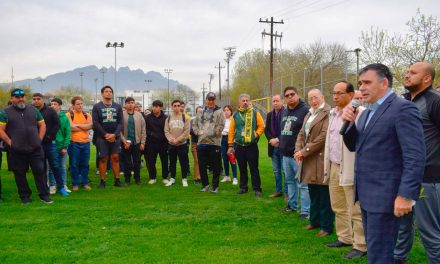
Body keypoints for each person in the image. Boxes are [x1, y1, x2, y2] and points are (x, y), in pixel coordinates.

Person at [342, 63, 425, 263]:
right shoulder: (367, 111)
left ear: (384, 83)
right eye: (360, 83)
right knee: (376, 251)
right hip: (367, 194)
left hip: (387, 196)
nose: (361, 87)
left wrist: (406, 195)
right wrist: (350, 123)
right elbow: (355, 146)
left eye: (367, 82)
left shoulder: (403, 109)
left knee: (381, 255)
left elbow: (415, 156)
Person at [394, 62, 440, 264]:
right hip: (402, 176)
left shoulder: (434, 101)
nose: (407, 75)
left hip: (427, 178)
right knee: (401, 225)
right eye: (407, 71)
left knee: (430, 232)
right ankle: (398, 259)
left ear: (427, 78)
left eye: (413, 73)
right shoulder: (403, 101)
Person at [323, 81, 367, 259]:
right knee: (338, 206)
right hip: (334, 165)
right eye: (334, 93)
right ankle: (344, 237)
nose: (335, 96)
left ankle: (361, 245)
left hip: (351, 168)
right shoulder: (333, 114)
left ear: (351, 95)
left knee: (356, 209)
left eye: (340, 93)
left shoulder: (360, 113)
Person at [0, 88, 52, 204]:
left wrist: (39, 139)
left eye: (22, 96)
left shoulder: (33, 110)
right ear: (12, 99)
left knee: (40, 171)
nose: (20, 99)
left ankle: (44, 195)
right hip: (17, 149)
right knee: (20, 173)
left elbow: (42, 125)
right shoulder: (5, 112)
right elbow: (1, 130)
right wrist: (10, 142)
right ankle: (24, 196)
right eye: (17, 97)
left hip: (35, 149)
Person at [295, 89, 334, 237]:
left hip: (320, 159)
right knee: (313, 193)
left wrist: (303, 151)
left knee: (324, 195)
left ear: (322, 97)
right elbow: (301, 134)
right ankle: (314, 221)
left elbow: (323, 136)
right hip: (309, 159)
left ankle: (326, 226)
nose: (313, 101)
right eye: (310, 98)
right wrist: (298, 150)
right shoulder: (309, 113)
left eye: (316, 97)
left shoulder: (328, 113)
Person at [278, 87, 310, 216]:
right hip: (285, 154)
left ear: (298, 95)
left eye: (292, 94)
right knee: (290, 182)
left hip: (298, 155)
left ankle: (305, 211)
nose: (290, 97)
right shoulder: (285, 111)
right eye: (287, 95)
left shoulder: (305, 110)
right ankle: (292, 205)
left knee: (303, 184)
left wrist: (302, 151)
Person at [228, 93, 264, 197]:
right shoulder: (235, 115)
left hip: (251, 146)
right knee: (242, 168)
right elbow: (231, 131)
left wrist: (255, 134)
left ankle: (257, 189)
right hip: (239, 146)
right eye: (243, 101)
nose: (245, 102)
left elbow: (261, 126)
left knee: (254, 168)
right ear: (239, 102)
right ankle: (243, 187)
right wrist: (230, 145)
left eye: (246, 100)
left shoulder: (255, 113)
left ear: (249, 101)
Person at [32, 93, 66, 196]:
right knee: (41, 168)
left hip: (50, 144)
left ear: (43, 100)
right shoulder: (31, 110)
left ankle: (61, 187)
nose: (36, 101)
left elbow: (57, 124)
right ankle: (45, 189)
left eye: (38, 99)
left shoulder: (50, 110)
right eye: (34, 99)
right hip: (37, 144)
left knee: (55, 166)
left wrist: (50, 136)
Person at [92, 85, 125, 188]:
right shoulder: (97, 107)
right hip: (102, 137)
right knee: (103, 158)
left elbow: (120, 123)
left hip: (115, 137)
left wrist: (114, 134)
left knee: (115, 158)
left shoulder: (118, 106)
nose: (108, 93)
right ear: (102, 94)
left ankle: (117, 180)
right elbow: (96, 123)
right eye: (106, 91)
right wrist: (105, 134)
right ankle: (102, 181)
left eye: (110, 91)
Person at [192, 92, 225, 192]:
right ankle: (205, 185)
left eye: (212, 99)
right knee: (202, 165)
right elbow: (194, 125)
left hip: (214, 143)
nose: (210, 101)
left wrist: (213, 133)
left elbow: (221, 125)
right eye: (209, 99)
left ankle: (215, 186)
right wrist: (198, 133)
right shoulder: (200, 112)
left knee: (215, 166)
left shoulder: (220, 111)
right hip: (201, 143)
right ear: (206, 100)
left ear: (215, 100)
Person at [66, 96, 93, 191]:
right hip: (74, 143)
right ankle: (75, 183)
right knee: (74, 164)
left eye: (81, 103)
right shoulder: (69, 115)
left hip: (85, 143)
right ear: (73, 105)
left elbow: (90, 126)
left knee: (85, 164)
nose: (80, 105)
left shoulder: (87, 115)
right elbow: (70, 127)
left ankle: (85, 182)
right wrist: (84, 126)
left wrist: (77, 126)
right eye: (78, 104)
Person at [264, 94, 287, 198]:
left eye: (277, 101)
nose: (275, 103)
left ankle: (287, 192)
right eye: (273, 101)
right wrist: (271, 140)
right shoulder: (269, 115)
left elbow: (288, 131)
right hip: (273, 147)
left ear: (282, 101)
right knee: (276, 170)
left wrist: (278, 140)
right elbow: (267, 130)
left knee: (285, 170)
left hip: (284, 146)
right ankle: (278, 190)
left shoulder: (287, 113)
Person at [164, 100, 190, 187]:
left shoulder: (185, 118)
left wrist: (178, 140)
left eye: (178, 105)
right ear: (172, 107)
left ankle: (184, 178)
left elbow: (186, 132)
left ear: (181, 107)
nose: (176, 107)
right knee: (172, 162)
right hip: (171, 145)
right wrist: (172, 140)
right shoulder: (168, 118)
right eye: (174, 105)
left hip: (182, 144)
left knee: (184, 162)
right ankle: (172, 178)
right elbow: (166, 131)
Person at [120, 97, 146, 185]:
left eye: (132, 102)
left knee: (137, 161)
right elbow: (119, 130)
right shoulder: (122, 115)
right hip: (126, 143)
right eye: (128, 103)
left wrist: (142, 142)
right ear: (125, 104)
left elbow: (143, 129)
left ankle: (137, 179)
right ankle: (127, 179)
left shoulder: (139, 115)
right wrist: (124, 141)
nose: (130, 104)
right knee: (127, 162)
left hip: (137, 142)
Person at [49, 98, 71, 196]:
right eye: (51, 104)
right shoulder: (47, 116)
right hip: (51, 145)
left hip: (62, 146)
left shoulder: (64, 118)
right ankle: (53, 185)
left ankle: (64, 185)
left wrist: (65, 146)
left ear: (60, 106)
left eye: (55, 104)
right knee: (51, 167)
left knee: (62, 166)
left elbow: (67, 133)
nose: (53, 106)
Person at [145, 100, 169, 185]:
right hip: (151, 143)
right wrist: (151, 134)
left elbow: (168, 130)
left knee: (164, 160)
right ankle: (152, 177)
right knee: (151, 161)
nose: (154, 108)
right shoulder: (148, 117)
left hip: (163, 143)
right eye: (153, 106)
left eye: (156, 106)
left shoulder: (166, 118)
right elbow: (145, 130)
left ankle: (165, 177)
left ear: (160, 107)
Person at [220, 105, 238, 185]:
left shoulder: (233, 120)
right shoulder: (222, 120)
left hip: (231, 140)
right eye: (225, 110)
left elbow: (234, 130)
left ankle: (235, 177)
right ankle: (227, 176)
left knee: (232, 159)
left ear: (231, 111)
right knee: (224, 159)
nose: (226, 112)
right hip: (223, 139)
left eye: (228, 110)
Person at [190, 106, 203, 185]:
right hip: (195, 143)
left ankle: (201, 176)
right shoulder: (192, 121)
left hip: (204, 143)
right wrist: (199, 132)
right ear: (196, 112)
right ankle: (196, 178)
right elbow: (190, 131)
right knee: (197, 160)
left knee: (202, 161)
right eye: (198, 111)